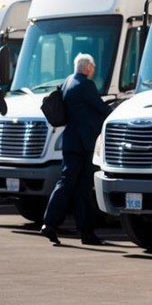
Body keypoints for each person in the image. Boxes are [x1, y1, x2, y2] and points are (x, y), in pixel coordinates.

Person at [40, 54, 111, 245]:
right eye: (93, 67)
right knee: (75, 186)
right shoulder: (86, 85)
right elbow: (102, 109)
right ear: (87, 67)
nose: (93, 70)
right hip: (83, 144)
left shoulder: (67, 82)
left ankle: (85, 232)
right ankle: (50, 223)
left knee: (76, 187)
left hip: (70, 141)